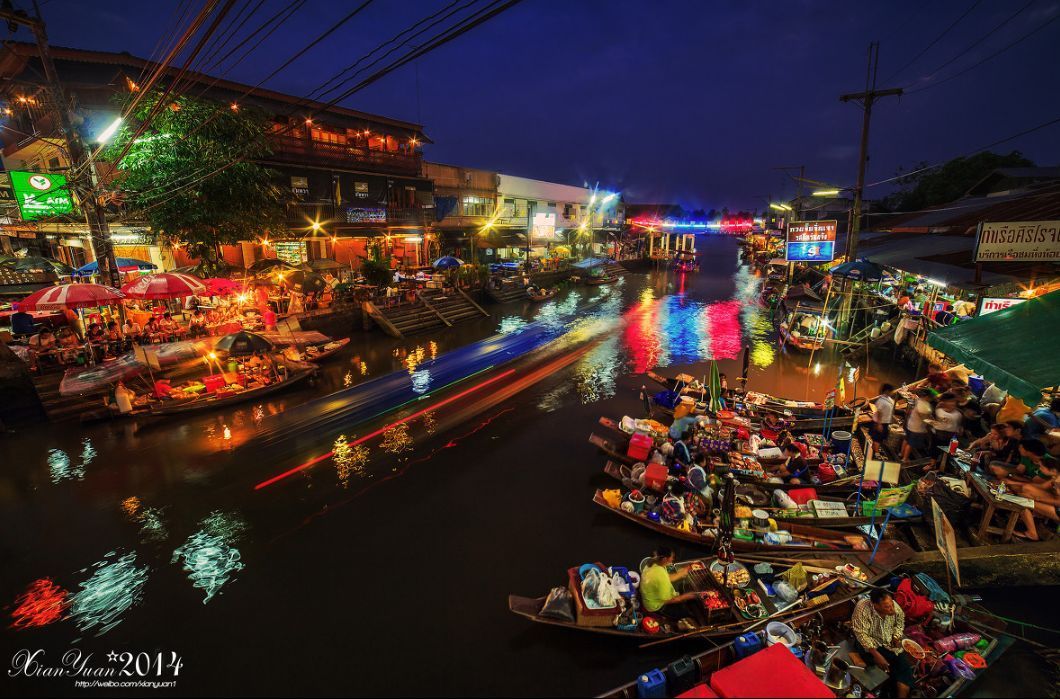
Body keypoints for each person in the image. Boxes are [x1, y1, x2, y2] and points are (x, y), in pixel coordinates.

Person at [851, 589, 914, 698]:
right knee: (875, 664)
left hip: (889, 644)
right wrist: (876, 654)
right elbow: (861, 634)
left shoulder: (893, 606)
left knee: (903, 670)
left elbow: (900, 622)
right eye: (887, 607)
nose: (892, 609)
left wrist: (896, 636)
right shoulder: (863, 609)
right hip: (870, 643)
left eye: (891, 605)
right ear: (875, 605)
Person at [639, 547, 697, 618]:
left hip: (650, 596)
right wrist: (687, 596)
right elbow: (670, 600)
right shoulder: (661, 576)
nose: (673, 559)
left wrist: (685, 570)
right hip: (654, 606)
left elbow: (667, 577)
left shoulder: (653, 563)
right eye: (672, 557)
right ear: (665, 559)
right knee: (685, 614)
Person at [902, 388, 935, 461]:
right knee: (911, 444)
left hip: (910, 424)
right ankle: (905, 459)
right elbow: (924, 417)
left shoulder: (919, 400)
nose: (930, 399)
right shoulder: (924, 404)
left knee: (906, 439)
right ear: (927, 397)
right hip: (917, 428)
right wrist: (932, 422)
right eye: (930, 397)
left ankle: (901, 454)